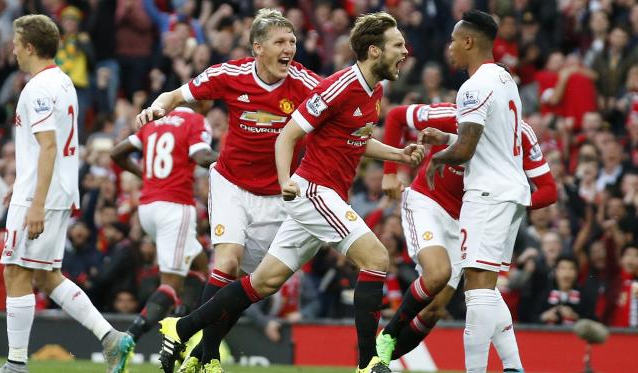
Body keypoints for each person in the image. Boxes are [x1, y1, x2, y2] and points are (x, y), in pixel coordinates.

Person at [157, 12, 419, 373]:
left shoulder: (371, 91)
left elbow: (355, 140)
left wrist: (399, 154)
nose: (406, 51)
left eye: (292, 41)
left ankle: (182, 327)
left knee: (264, 282)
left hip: (306, 194)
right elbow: (289, 135)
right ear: (374, 50)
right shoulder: (339, 85)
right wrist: (286, 179)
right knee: (376, 259)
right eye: (398, 45)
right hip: (307, 190)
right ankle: (367, 363)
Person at [134, 8, 321, 372]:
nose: (289, 49)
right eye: (280, 42)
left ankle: (203, 351)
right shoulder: (229, 74)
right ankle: (205, 353)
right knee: (227, 262)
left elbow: (342, 111)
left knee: (248, 287)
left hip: (276, 196)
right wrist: (155, 109)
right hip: (231, 183)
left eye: (293, 41)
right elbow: (174, 95)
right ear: (257, 48)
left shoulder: (306, 83)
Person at [0, 15, 133, 373]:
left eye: (15, 41)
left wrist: (35, 201)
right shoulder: (63, 81)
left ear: (28, 47)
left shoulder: (38, 87)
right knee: (46, 275)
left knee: (15, 271)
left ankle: (15, 364)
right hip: (57, 188)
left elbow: (49, 146)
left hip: (43, 193)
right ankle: (110, 337)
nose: (11, 47)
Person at [376, 101, 557, 369]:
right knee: (439, 274)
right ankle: (387, 335)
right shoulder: (455, 115)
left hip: (467, 223)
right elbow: (396, 116)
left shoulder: (521, 135)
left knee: (436, 308)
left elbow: (549, 190)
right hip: (428, 203)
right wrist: (390, 173)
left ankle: (376, 363)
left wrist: (512, 202)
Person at [424, 10, 530, 373]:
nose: (449, 47)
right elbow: (488, 142)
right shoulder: (503, 77)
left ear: (468, 41)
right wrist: (449, 139)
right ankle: (514, 367)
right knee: (486, 285)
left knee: (477, 290)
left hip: (487, 193)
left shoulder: (473, 87)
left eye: (454, 40)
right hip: (511, 190)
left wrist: (437, 157)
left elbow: (467, 151)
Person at [110, 102, 217, 352]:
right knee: (171, 284)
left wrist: (145, 175)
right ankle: (127, 339)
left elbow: (117, 153)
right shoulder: (196, 122)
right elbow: (201, 156)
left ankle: (180, 325)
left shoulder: (155, 123)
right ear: (203, 102)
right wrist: (236, 160)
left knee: (201, 262)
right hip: (174, 207)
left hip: (148, 208)